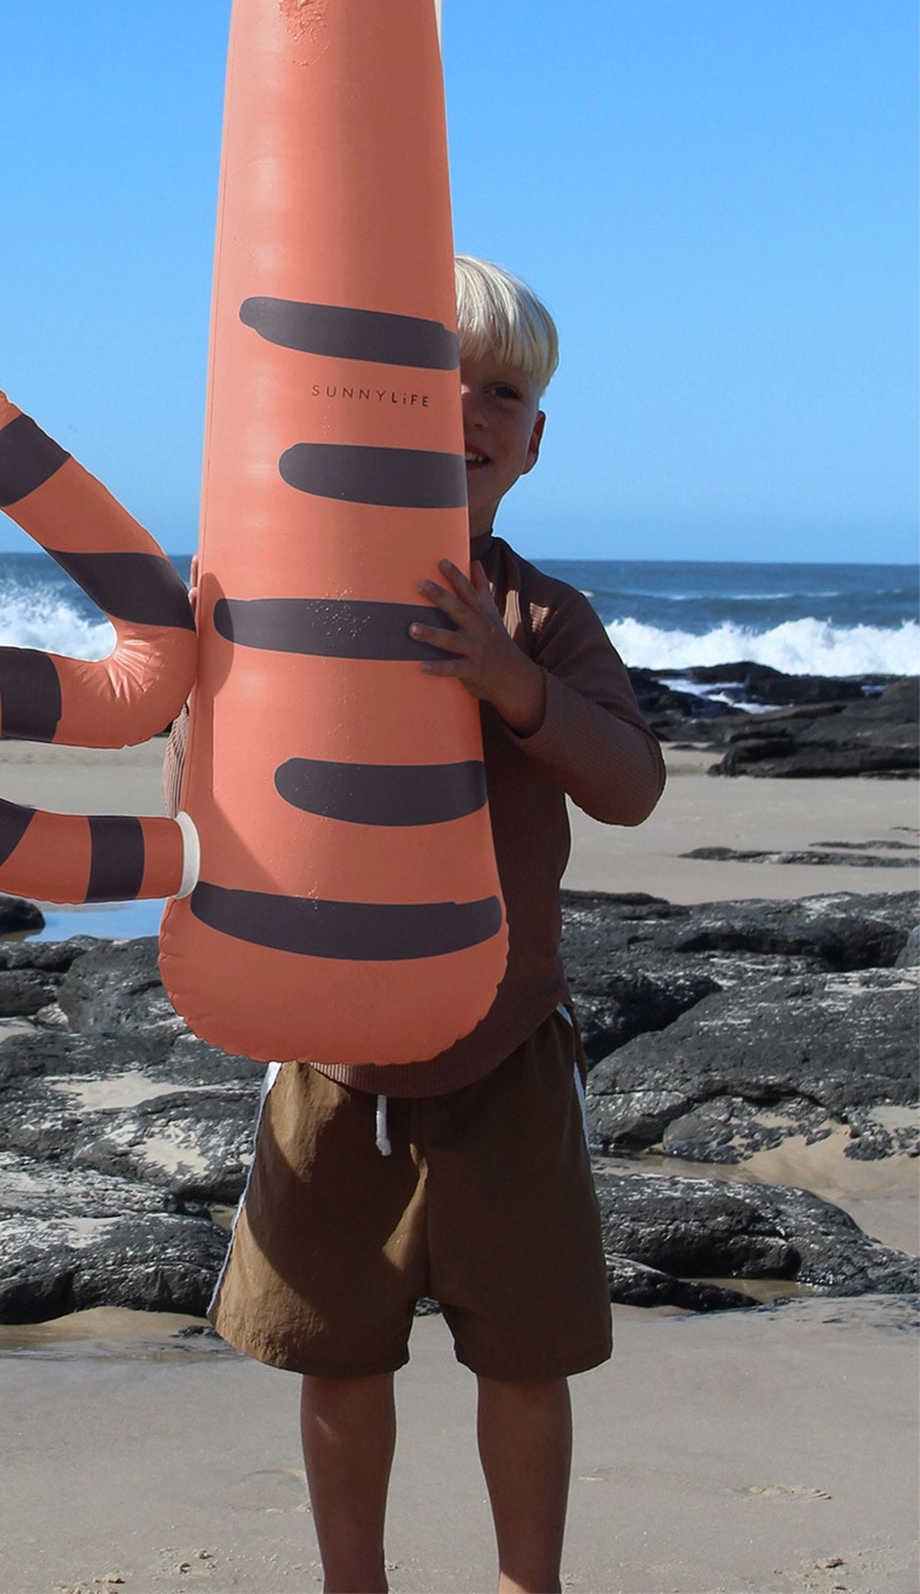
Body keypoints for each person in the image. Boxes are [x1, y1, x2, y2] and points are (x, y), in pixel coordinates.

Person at [191, 256, 665, 1594]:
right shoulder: (305, 591)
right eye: (428, 381)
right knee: (336, 1353)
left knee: (527, 1357)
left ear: (534, 440)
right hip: (334, 1061)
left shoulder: (543, 616)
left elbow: (631, 785)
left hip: (509, 1050)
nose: (464, 409)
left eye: (501, 391)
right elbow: (216, 753)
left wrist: (514, 686)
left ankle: (530, 1580)